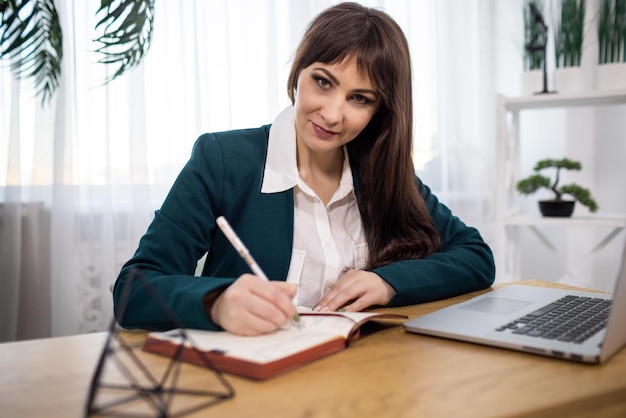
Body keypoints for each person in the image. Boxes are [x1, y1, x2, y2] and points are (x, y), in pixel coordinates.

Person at [113, 2, 495, 336]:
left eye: (359, 99)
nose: (331, 114)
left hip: (369, 378)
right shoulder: (224, 159)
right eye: (323, 82)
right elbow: (134, 288)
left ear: (380, 111)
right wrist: (216, 302)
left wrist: (388, 281)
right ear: (298, 72)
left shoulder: (384, 172)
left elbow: (476, 256)